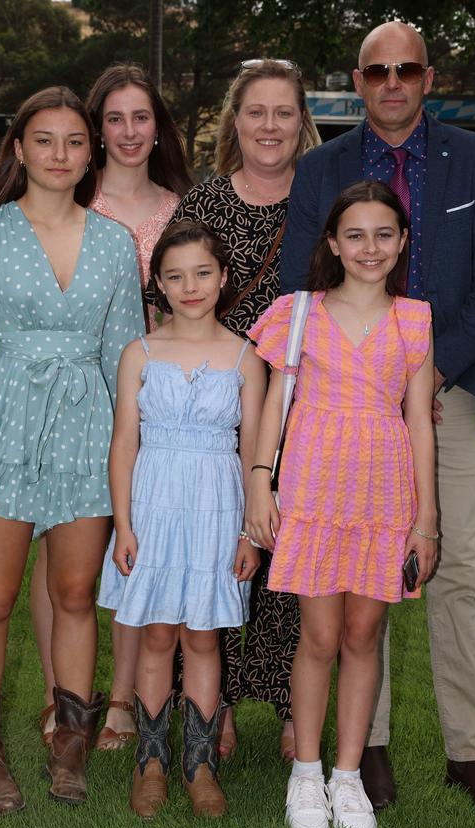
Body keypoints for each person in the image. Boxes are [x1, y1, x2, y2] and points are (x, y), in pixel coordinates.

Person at [279, 20, 475, 820]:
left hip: (442, 390)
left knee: (454, 568)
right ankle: (364, 753)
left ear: (428, 76)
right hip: (339, 404)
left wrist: (430, 369)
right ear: (357, 80)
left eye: (407, 69)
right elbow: (297, 283)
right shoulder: (322, 168)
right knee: (356, 569)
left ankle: (472, 753)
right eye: (377, 69)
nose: (392, 81)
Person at [0, 86, 144, 814]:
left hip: (86, 430)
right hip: (4, 423)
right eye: (44, 140)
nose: (60, 155)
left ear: (91, 153)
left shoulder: (114, 242)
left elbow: (125, 354)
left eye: (75, 142)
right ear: (19, 149)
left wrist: (131, 452)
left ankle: (70, 744)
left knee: (76, 594)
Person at [246, 181, 436, 828]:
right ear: (332, 242)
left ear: (402, 240)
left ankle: (348, 776)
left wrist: (427, 519)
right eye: (354, 234)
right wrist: (260, 483)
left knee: (363, 636)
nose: (370, 247)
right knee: (320, 637)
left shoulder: (415, 320)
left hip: (383, 497)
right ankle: (306, 770)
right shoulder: (298, 312)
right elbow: (273, 404)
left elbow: (420, 422)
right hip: (314, 491)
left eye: (384, 233)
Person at [30, 63, 193, 752]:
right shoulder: (72, 199)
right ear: (97, 129)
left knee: (136, 543)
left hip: (157, 396)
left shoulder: (185, 207)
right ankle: (57, 695)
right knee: (59, 547)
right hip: (69, 394)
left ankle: (122, 700)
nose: (129, 132)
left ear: (159, 127)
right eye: (116, 119)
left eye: (142, 117)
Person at [171, 57, 320, 760]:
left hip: (308, 404)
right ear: (237, 121)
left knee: (296, 553)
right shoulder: (203, 203)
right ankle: (216, 700)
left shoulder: (322, 199)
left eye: (283, 113)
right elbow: (164, 295)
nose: (269, 126)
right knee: (220, 549)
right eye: (255, 112)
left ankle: (295, 703)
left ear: (301, 122)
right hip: (219, 404)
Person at [104, 220, 265, 817]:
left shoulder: (246, 357)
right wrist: (123, 524)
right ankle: (151, 762)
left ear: (223, 278)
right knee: (156, 633)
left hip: (217, 511)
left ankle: (200, 764)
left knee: (202, 636)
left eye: (202, 273)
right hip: (152, 506)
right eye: (175, 276)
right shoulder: (139, 353)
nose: (190, 286)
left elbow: (253, 452)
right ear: (160, 287)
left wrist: (250, 528)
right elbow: (124, 443)